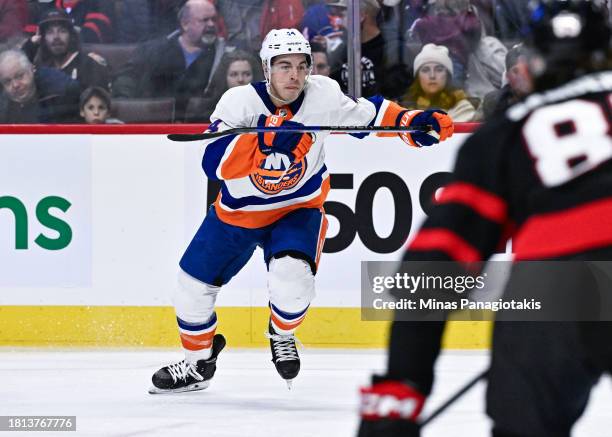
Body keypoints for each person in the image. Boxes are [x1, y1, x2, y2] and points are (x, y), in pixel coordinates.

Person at [149, 28, 454, 394]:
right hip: (237, 214)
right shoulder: (239, 103)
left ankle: (280, 334)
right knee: (190, 291)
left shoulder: (322, 94)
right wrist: (261, 141)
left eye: (300, 65)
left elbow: (367, 115)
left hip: (296, 209)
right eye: (283, 66)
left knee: (292, 281)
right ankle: (199, 364)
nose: (293, 75)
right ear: (266, 68)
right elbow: (214, 165)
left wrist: (409, 123)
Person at [357, 1, 612, 436]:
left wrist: (401, 390)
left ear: (532, 66)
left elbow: (435, 265)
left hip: (555, 287)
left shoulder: (505, 131)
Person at [112, 0, 232, 119]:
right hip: (154, 123)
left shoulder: (226, 57)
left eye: (214, 19)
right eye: (205, 20)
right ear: (185, 23)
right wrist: (125, 107)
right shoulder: (153, 51)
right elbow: (127, 78)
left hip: (200, 125)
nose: (211, 25)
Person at [21, 9, 110, 90]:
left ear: (71, 35)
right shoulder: (41, 66)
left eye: (62, 31)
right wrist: (31, 44)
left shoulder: (89, 65)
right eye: (50, 32)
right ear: (43, 38)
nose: (56, 37)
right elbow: (16, 69)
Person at [0, 48, 80, 123]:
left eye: (20, 76)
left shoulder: (61, 89)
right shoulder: (3, 107)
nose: (15, 85)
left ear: (31, 69)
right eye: (7, 81)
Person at [401, 43, 475, 122]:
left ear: (447, 76)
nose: (432, 76)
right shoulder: (403, 110)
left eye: (439, 70)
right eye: (425, 70)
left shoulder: (462, 108)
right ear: (418, 77)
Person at [185, 49, 263, 122]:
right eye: (234, 74)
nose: (240, 79)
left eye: (246, 74)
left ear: (254, 77)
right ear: (224, 78)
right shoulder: (205, 113)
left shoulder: (266, 110)